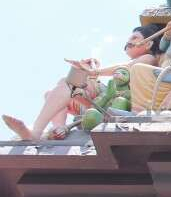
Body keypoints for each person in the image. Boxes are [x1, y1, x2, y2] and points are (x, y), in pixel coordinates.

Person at [3, 24, 161, 141]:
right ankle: (54, 130)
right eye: (129, 38)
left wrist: (94, 72)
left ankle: (40, 132)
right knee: (61, 87)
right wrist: (86, 71)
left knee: (72, 83)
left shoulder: (149, 59)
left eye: (135, 38)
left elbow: (125, 68)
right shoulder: (126, 64)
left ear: (148, 44)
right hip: (104, 100)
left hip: (122, 104)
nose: (128, 42)